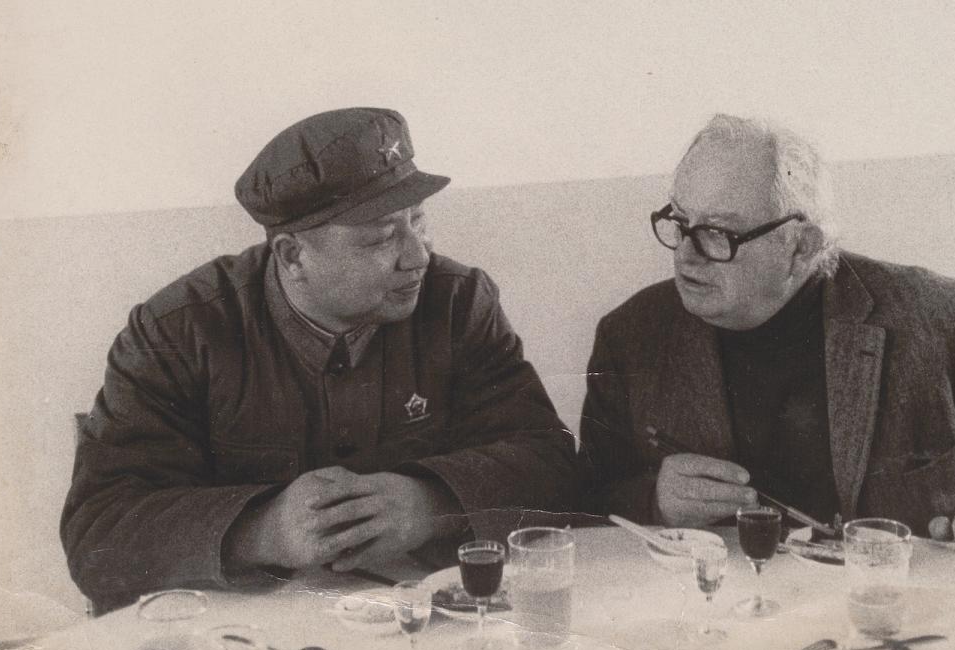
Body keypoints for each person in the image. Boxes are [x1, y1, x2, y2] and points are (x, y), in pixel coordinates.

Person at [61, 108, 579, 612]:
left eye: (418, 220)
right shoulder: (177, 330)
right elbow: (97, 533)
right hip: (246, 633)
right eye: (381, 237)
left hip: (422, 621)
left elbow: (551, 465)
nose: (417, 255)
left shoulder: (457, 302)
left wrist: (431, 503)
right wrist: (260, 531)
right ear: (292, 255)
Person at [580, 113, 955, 560]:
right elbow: (585, 498)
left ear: (802, 246)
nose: (685, 255)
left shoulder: (939, 318)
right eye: (678, 220)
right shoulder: (632, 336)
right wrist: (654, 500)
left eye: (718, 233)